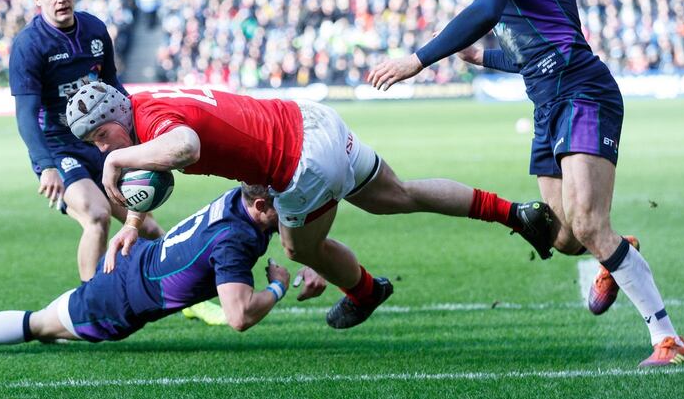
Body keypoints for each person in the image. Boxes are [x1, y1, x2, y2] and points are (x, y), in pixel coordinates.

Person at [368, 0, 684, 367]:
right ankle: (618, 249)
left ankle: (667, 339)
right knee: (563, 237)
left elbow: (485, 9)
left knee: (586, 221)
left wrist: (418, 59)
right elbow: (527, 53)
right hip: (547, 99)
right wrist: (483, 59)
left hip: (579, 89)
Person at [64, 81, 553, 330]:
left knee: (301, 251)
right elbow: (163, 159)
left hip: (299, 164)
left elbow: (185, 146)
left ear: (115, 116)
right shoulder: (145, 101)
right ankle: (514, 213)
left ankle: (364, 292)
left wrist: (117, 162)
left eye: (103, 138)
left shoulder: (149, 121)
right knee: (398, 195)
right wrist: (132, 219)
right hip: (312, 121)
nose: (105, 150)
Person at [0, 184, 326, 353]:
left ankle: (53, 330)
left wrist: (307, 259)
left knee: (54, 324)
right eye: (285, 206)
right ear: (260, 207)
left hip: (134, 271)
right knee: (38, 324)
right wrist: (277, 286)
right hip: (119, 299)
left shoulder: (238, 202)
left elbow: (277, 232)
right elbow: (238, 317)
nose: (294, 213)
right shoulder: (236, 240)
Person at [9, 0, 165, 283]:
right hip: (60, 151)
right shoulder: (28, 45)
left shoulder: (94, 30)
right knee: (97, 215)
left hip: (102, 145)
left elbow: (113, 85)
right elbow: (25, 114)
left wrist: (136, 130)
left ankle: (181, 294)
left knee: (148, 226)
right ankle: (88, 307)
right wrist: (45, 165)